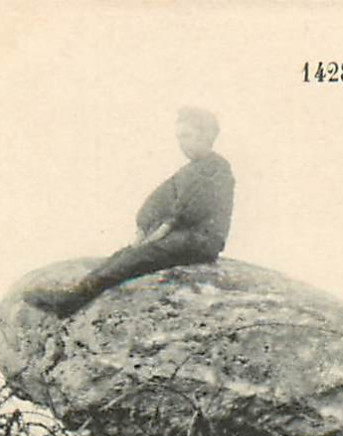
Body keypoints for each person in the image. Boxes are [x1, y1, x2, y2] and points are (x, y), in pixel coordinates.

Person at [24, 108, 235, 315]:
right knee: (124, 254)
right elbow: (158, 200)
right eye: (179, 137)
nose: (182, 143)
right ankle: (76, 291)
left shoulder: (216, 167)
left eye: (187, 136)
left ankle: (72, 300)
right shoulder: (188, 171)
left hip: (201, 240)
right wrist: (144, 225)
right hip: (183, 236)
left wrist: (156, 235)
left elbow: (189, 209)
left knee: (137, 257)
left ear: (206, 135)